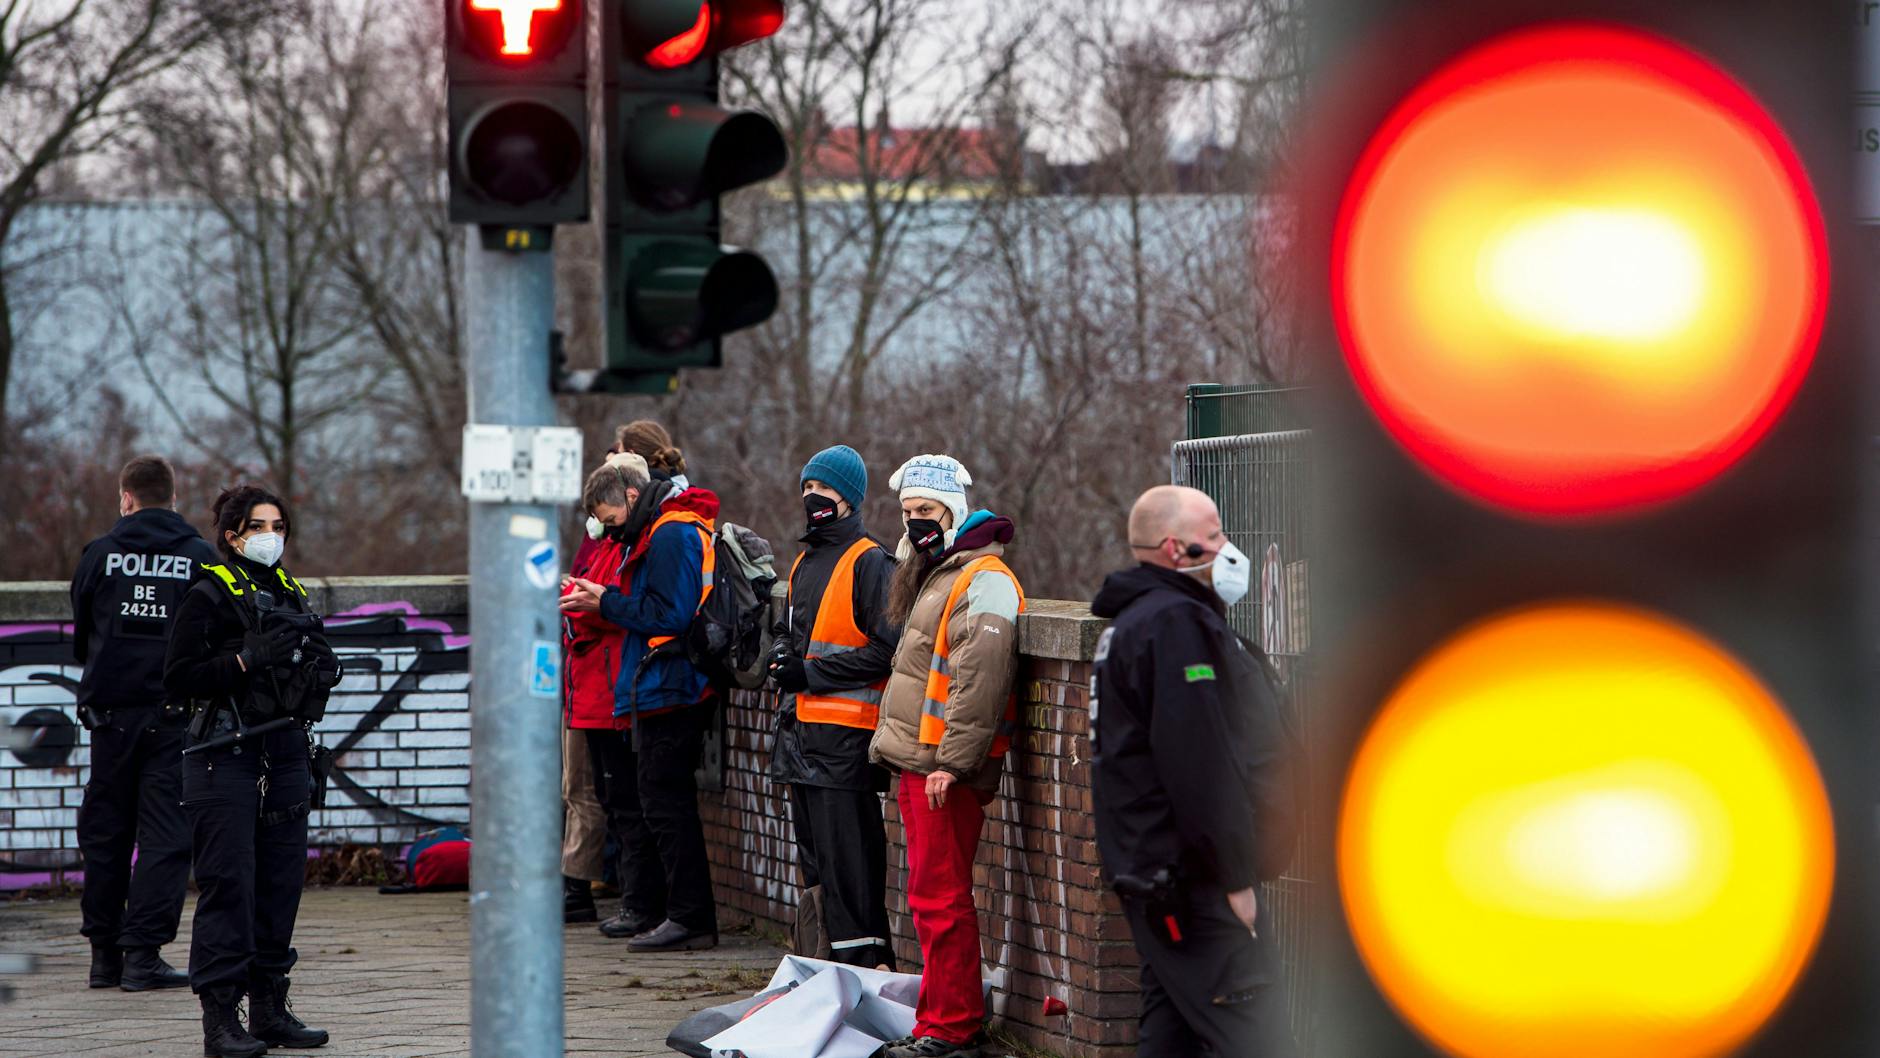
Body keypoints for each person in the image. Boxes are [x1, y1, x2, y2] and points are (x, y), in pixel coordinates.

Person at [1089, 485, 1298, 1058]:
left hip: (1158, 876)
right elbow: (1199, 763)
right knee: (1257, 1033)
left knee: (1171, 1027)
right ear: (1177, 550)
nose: (1228, 548)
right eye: (1215, 535)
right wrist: (1235, 879)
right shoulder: (1175, 625)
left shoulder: (1133, 626)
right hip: (1192, 881)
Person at [164, 485, 334, 1057]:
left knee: (280, 885)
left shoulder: (289, 590)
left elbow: (299, 672)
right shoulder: (209, 592)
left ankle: (268, 1008)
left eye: (280, 526)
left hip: (283, 750)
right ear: (232, 533)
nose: (272, 537)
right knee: (229, 886)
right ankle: (220, 1021)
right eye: (259, 526)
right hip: (222, 755)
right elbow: (179, 675)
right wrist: (244, 659)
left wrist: (320, 664)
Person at [869, 454, 1025, 1058]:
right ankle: (941, 1018)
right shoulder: (938, 572)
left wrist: (952, 763)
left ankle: (950, 1027)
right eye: (908, 512)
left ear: (953, 512)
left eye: (926, 511)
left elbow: (980, 677)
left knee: (940, 896)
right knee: (929, 895)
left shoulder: (980, 577)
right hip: (921, 761)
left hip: (942, 767)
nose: (915, 523)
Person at [70, 455, 217, 991]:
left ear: (126, 497)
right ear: (173, 499)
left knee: (105, 835)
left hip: (108, 721)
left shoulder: (99, 556)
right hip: (173, 719)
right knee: (166, 837)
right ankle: (142, 956)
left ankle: (103, 957)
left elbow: (83, 634)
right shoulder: (200, 556)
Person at [562, 457, 721, 952]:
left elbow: (668, 615)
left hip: (673, 687)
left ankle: (690, 917)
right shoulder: (661, 527)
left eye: (611, 520)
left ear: (631, 496)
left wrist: (604, 603)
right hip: (661, 686)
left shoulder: (671, 533)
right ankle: (682, 915)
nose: (609, 533)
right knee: (657, 803)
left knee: (665, 804)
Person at [766, 445, 900, 971]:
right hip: (801, 737)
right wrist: (783, 653)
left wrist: (811, 673)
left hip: (845, 746)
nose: (811, 497)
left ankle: (865, 978)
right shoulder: (804, 561)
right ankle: (823, 973)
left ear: (849, 497)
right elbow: (792, 630)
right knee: (817, 871)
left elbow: (884, 648)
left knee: (852, 874)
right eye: (807, 488)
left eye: (823, 489)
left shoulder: (869, 560)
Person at [561, 453, 648, 931]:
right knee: (602, 796)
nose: (604, 527)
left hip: (607, 689)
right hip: (593, 688)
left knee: (618, 799)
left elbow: (616, 603)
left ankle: (626, 898)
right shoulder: (611, 541)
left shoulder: (629, 542)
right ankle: (619, 896)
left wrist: (587, 602)